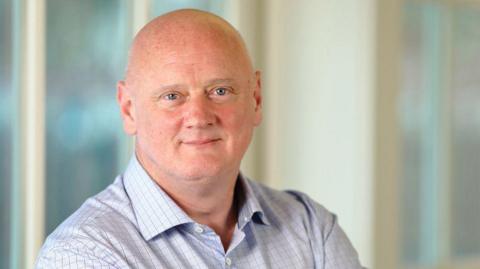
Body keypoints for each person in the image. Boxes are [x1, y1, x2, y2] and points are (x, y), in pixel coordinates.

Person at [36, 9, 364, 269]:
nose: (198, 116)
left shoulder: (310, 229)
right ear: (129, 109)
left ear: (256, 99)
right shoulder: (82, 255)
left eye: (220, 91)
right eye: (172, 96)